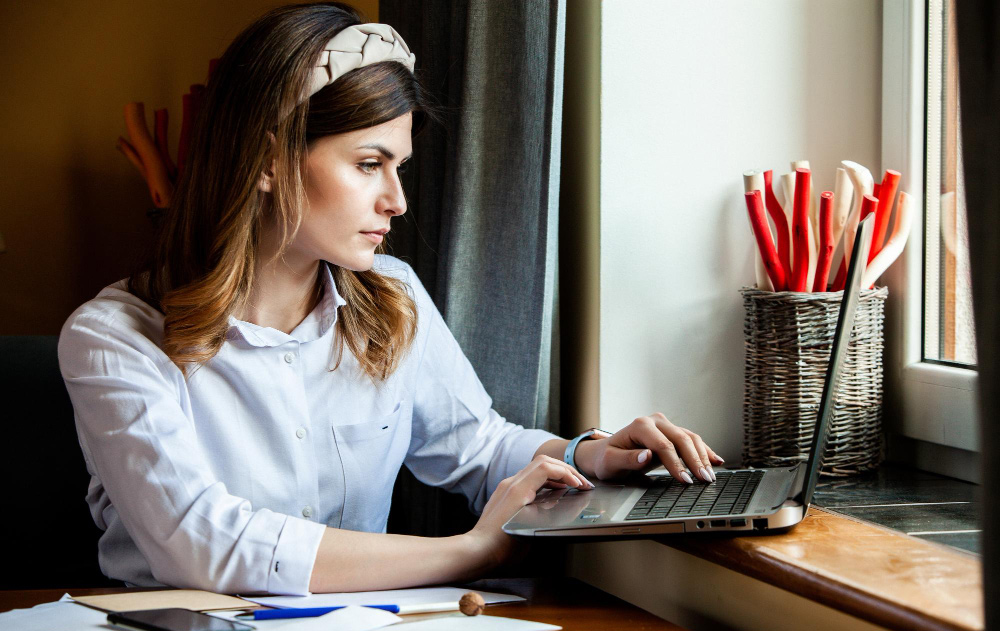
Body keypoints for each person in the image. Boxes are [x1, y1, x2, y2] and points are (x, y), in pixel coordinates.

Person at [58, 2, 723, 596]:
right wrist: (467, 552)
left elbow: (479, 446)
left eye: (398, 167)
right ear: (267, 162)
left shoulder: (394, 293)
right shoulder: (114, 339)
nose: (396, 201)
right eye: (369, 163)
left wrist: (588, 454)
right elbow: (203, 543)